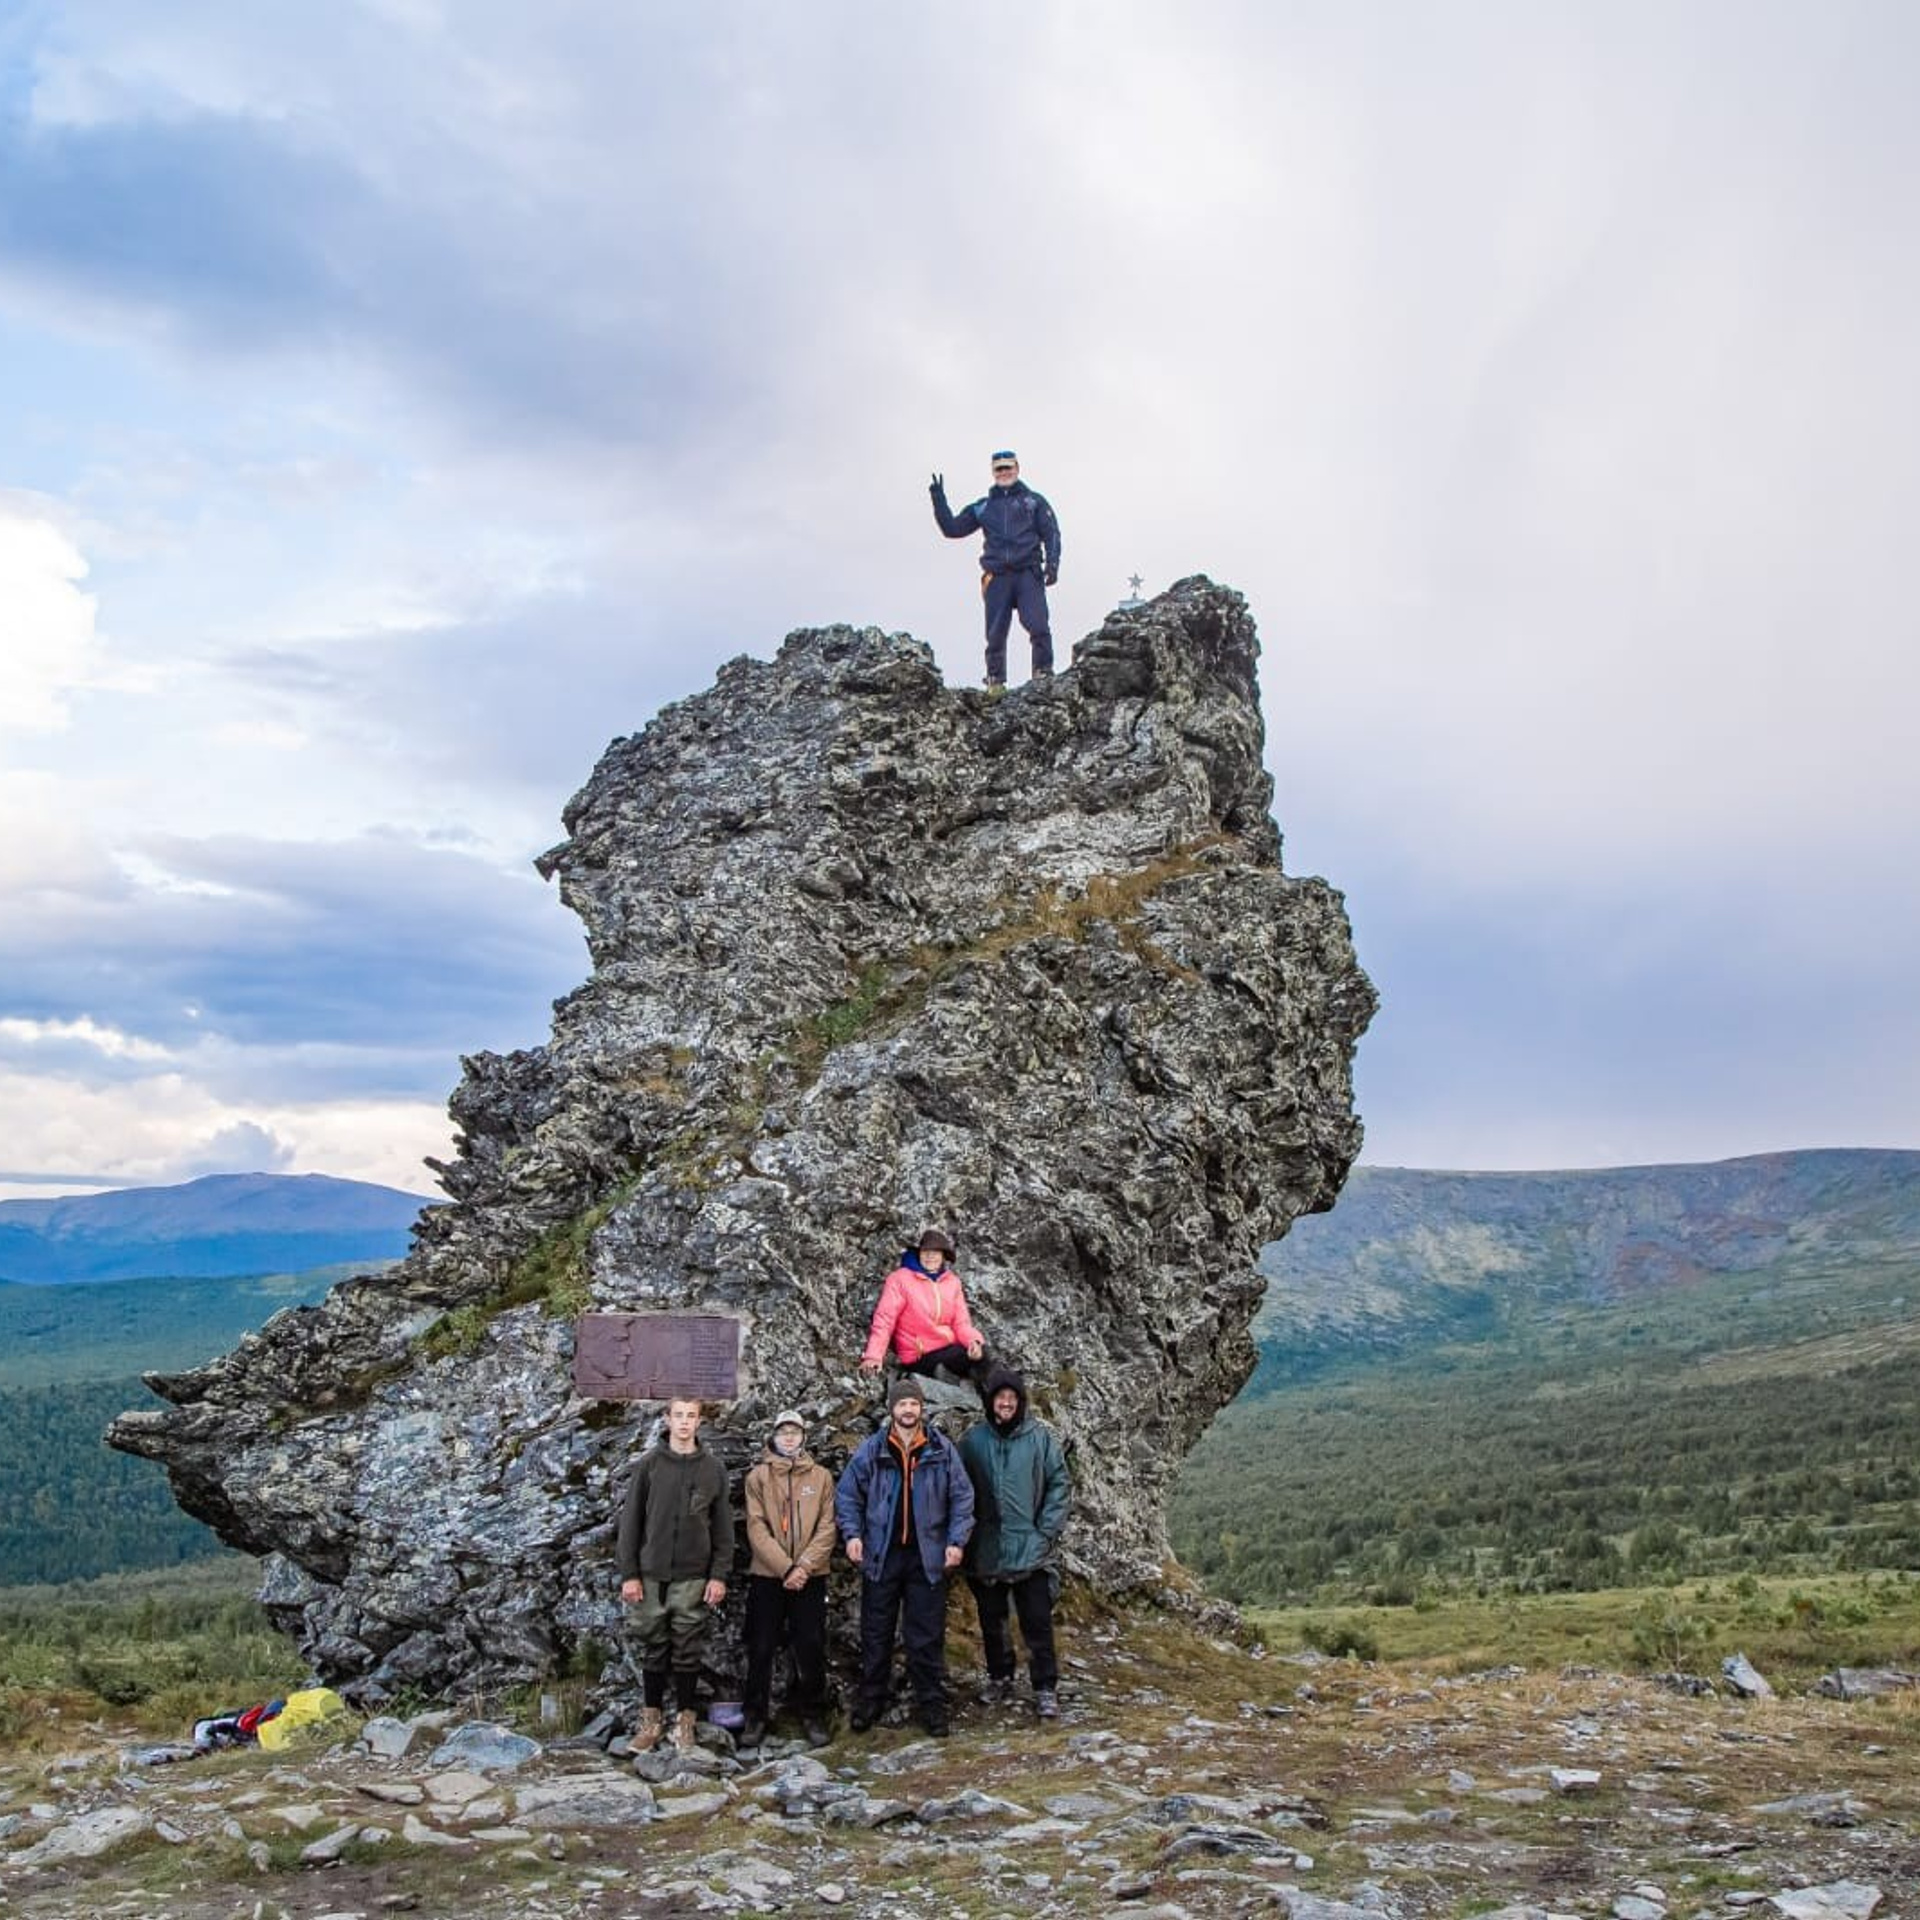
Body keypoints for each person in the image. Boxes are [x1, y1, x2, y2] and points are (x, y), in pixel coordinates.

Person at [835, 1376, 975, 1736]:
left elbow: (962, 1498)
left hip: (927, 1557)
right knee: (876, 1633)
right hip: (881, 1554)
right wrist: (852, 1535)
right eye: (902, 1404)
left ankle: (931, 1705)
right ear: (892, 1409)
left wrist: (956, 1541)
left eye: (914, 1404)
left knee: (926, 1636)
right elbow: (848, 1495)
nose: (908, 1410)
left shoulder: (941, 1449)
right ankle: (871, 1701)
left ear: (921, 1408)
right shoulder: (872, 1449)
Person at [615, 1392, 733, 1754]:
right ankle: (651, 1722)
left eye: (691, 1415)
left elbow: (724, 1529)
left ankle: (685, 1721)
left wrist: (718, 1575)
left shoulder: (713, 1469)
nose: (684, 1422)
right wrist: (630, 1573)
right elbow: (630, 1524)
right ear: (667, 1419)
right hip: (650, 1576)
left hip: (694, 1576)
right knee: (654, 1647)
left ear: (700, 1421)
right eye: (678, 1415)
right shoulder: (649, 1465)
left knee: (687, 1649)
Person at [960, 1363, 1071, 1719]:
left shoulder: (1040, 1438)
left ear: (1020, 1402)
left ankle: (1044, 1687)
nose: (1005, 1403)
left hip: (1032, 1549)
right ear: (990, 1402)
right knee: (992, 1620)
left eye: (1011, 1397)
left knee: (1036, 1621)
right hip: (986, 1548)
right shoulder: (973, 1441)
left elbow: (1059, 1484)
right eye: (999, 1397)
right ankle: (999, 1677)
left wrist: (1045, 1531)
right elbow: (958, 1490)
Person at [740, 1408, 836, 1750]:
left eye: (795, 1431)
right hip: (768, 1575)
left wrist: (804, 1566)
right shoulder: (757, 1477)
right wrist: (785, 1567)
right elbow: (756, 1526)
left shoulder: (822, 1477)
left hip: (810, 1576)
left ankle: (812, 1713)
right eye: (783, 1431)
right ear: (773, 1437)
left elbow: (828, 1526)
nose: (790, 1437)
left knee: (810, 1645)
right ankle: (755, 1715)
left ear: (804, 1437)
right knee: (761, 1646)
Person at [929, 450, 1062, 688]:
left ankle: (1043, 673)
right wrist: (939, 499)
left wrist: (1052, 565)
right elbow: (952, 529)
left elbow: (1051, 533)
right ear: (993, 472)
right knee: (995, 634)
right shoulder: (983, 507)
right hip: (997, 577)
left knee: (1038, 625)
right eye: (999, 469)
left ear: (1017, 468)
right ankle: (995, 682)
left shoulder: (1034, 502)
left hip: (1028, 573)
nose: (1004, 472)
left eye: (1007, 467)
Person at [859, 1228, 987, 1381]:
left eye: (936, 1252)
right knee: (967, 1360)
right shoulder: (899, 1279)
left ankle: (999, 1396)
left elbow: (961, 1323)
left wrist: (973, 1342)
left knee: (983, 1354)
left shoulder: (952, 1282)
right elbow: (885, 1319)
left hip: (949, 1349)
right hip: (919, 1357)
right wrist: (873, 1356)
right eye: (926, 1251)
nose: (930, 1256)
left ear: (943, 1256)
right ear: (919, 1253)